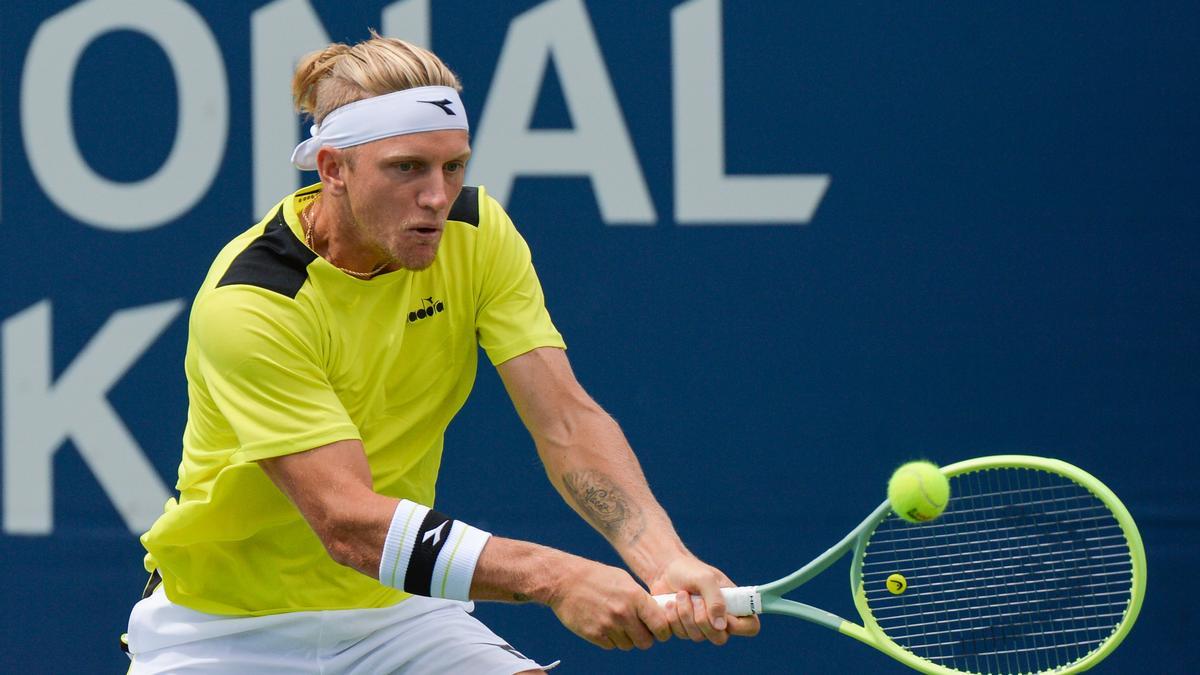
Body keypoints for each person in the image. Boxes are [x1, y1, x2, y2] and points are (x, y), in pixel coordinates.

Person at [123, 33, 758, 673]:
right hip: (222, 633)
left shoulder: (476, 238)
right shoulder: (255, 302)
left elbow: (565, 421)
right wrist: (556, 578)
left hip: (396, 615)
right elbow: (347, 522)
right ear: (333, 169)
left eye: (453, 166)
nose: (437, 196)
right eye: (407, 168)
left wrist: (664, 560)